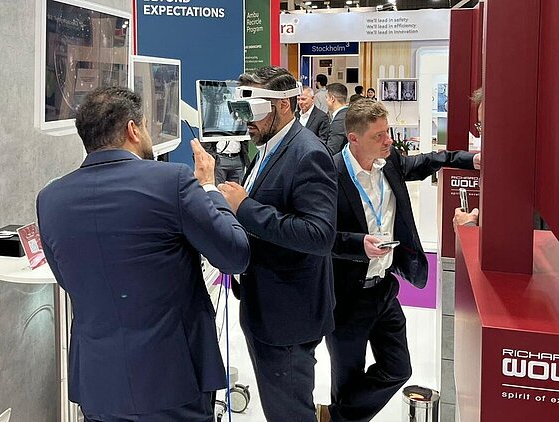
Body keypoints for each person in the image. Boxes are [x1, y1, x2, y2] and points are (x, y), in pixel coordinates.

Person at [37, 86, 250, 422]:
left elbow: (67, 279)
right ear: (133, 129)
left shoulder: (50, 199)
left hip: (99, 385)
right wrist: (209, 188)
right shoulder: (173, 181)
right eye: (147, 126)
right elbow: (234, 254)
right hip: (175, 380)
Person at [318, 99, 480, 422]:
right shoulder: (330, 174)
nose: (388, 140)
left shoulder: (389, 162)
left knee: (398, 369)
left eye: (388, 132)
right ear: (354, 139)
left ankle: (334, 417)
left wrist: (469, 159)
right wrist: (358, 245)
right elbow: (320, 235)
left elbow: (429, 161)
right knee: (347, 378)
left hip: (384, 290)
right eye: (378, 135)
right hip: (345, 296)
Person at [217, 66, 338, 422]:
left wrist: (245, 208)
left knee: (289, 413)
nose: (245, 121)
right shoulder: (268, 147)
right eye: (239, 110)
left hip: (288, 318)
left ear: (283, 105)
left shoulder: (307, 153)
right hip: (265, 308)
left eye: (251, 110)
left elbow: (319, 235)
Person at [326, 83, 349, 155]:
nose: (326, 100)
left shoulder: (339, 120)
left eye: (326, 97)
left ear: (332, 99)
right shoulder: (347, 113)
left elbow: (332, 148)